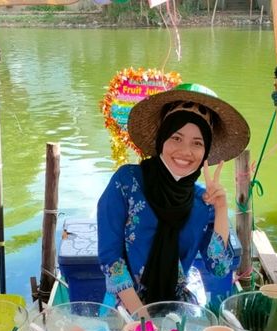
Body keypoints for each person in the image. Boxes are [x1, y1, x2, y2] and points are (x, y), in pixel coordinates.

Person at [97, 83, 250, 313]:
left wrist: (220, 207)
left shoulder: (203, 201)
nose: (185, 151)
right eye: (176, 138)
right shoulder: (126, 182)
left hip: (175, 306)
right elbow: (111, 257)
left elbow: (219, 267)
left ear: (205, 151)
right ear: (161, 139)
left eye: (197, 143)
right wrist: (142, 318)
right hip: (125, 304)